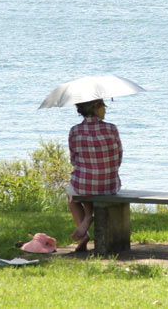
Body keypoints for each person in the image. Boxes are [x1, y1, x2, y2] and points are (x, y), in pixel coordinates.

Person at [67, 98, 122, 252]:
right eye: (104, 105)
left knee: (72, 196)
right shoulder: (112, 129)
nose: (105, 109)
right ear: (95, 108)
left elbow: (73, 160)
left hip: (84, 185)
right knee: (91, 184)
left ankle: (85, 221)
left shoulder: (74, 131)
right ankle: (87, 217)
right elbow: (119, 157)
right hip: (110, 185)